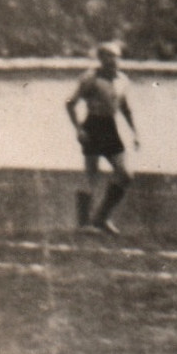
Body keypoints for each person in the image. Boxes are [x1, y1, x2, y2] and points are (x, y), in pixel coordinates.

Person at [66, 41, 139, 235]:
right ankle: (83, 224)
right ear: (100, 59)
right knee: (91, 175)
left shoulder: (123, 80)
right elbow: (70, 103)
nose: (112, 60)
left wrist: (135, 132)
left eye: (115, 56)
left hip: (110, 127)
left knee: (125, 174)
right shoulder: (90, 78)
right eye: (107, 56)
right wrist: (79, 129)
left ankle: (102, 217)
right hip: (93, 125)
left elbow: (124, 108)